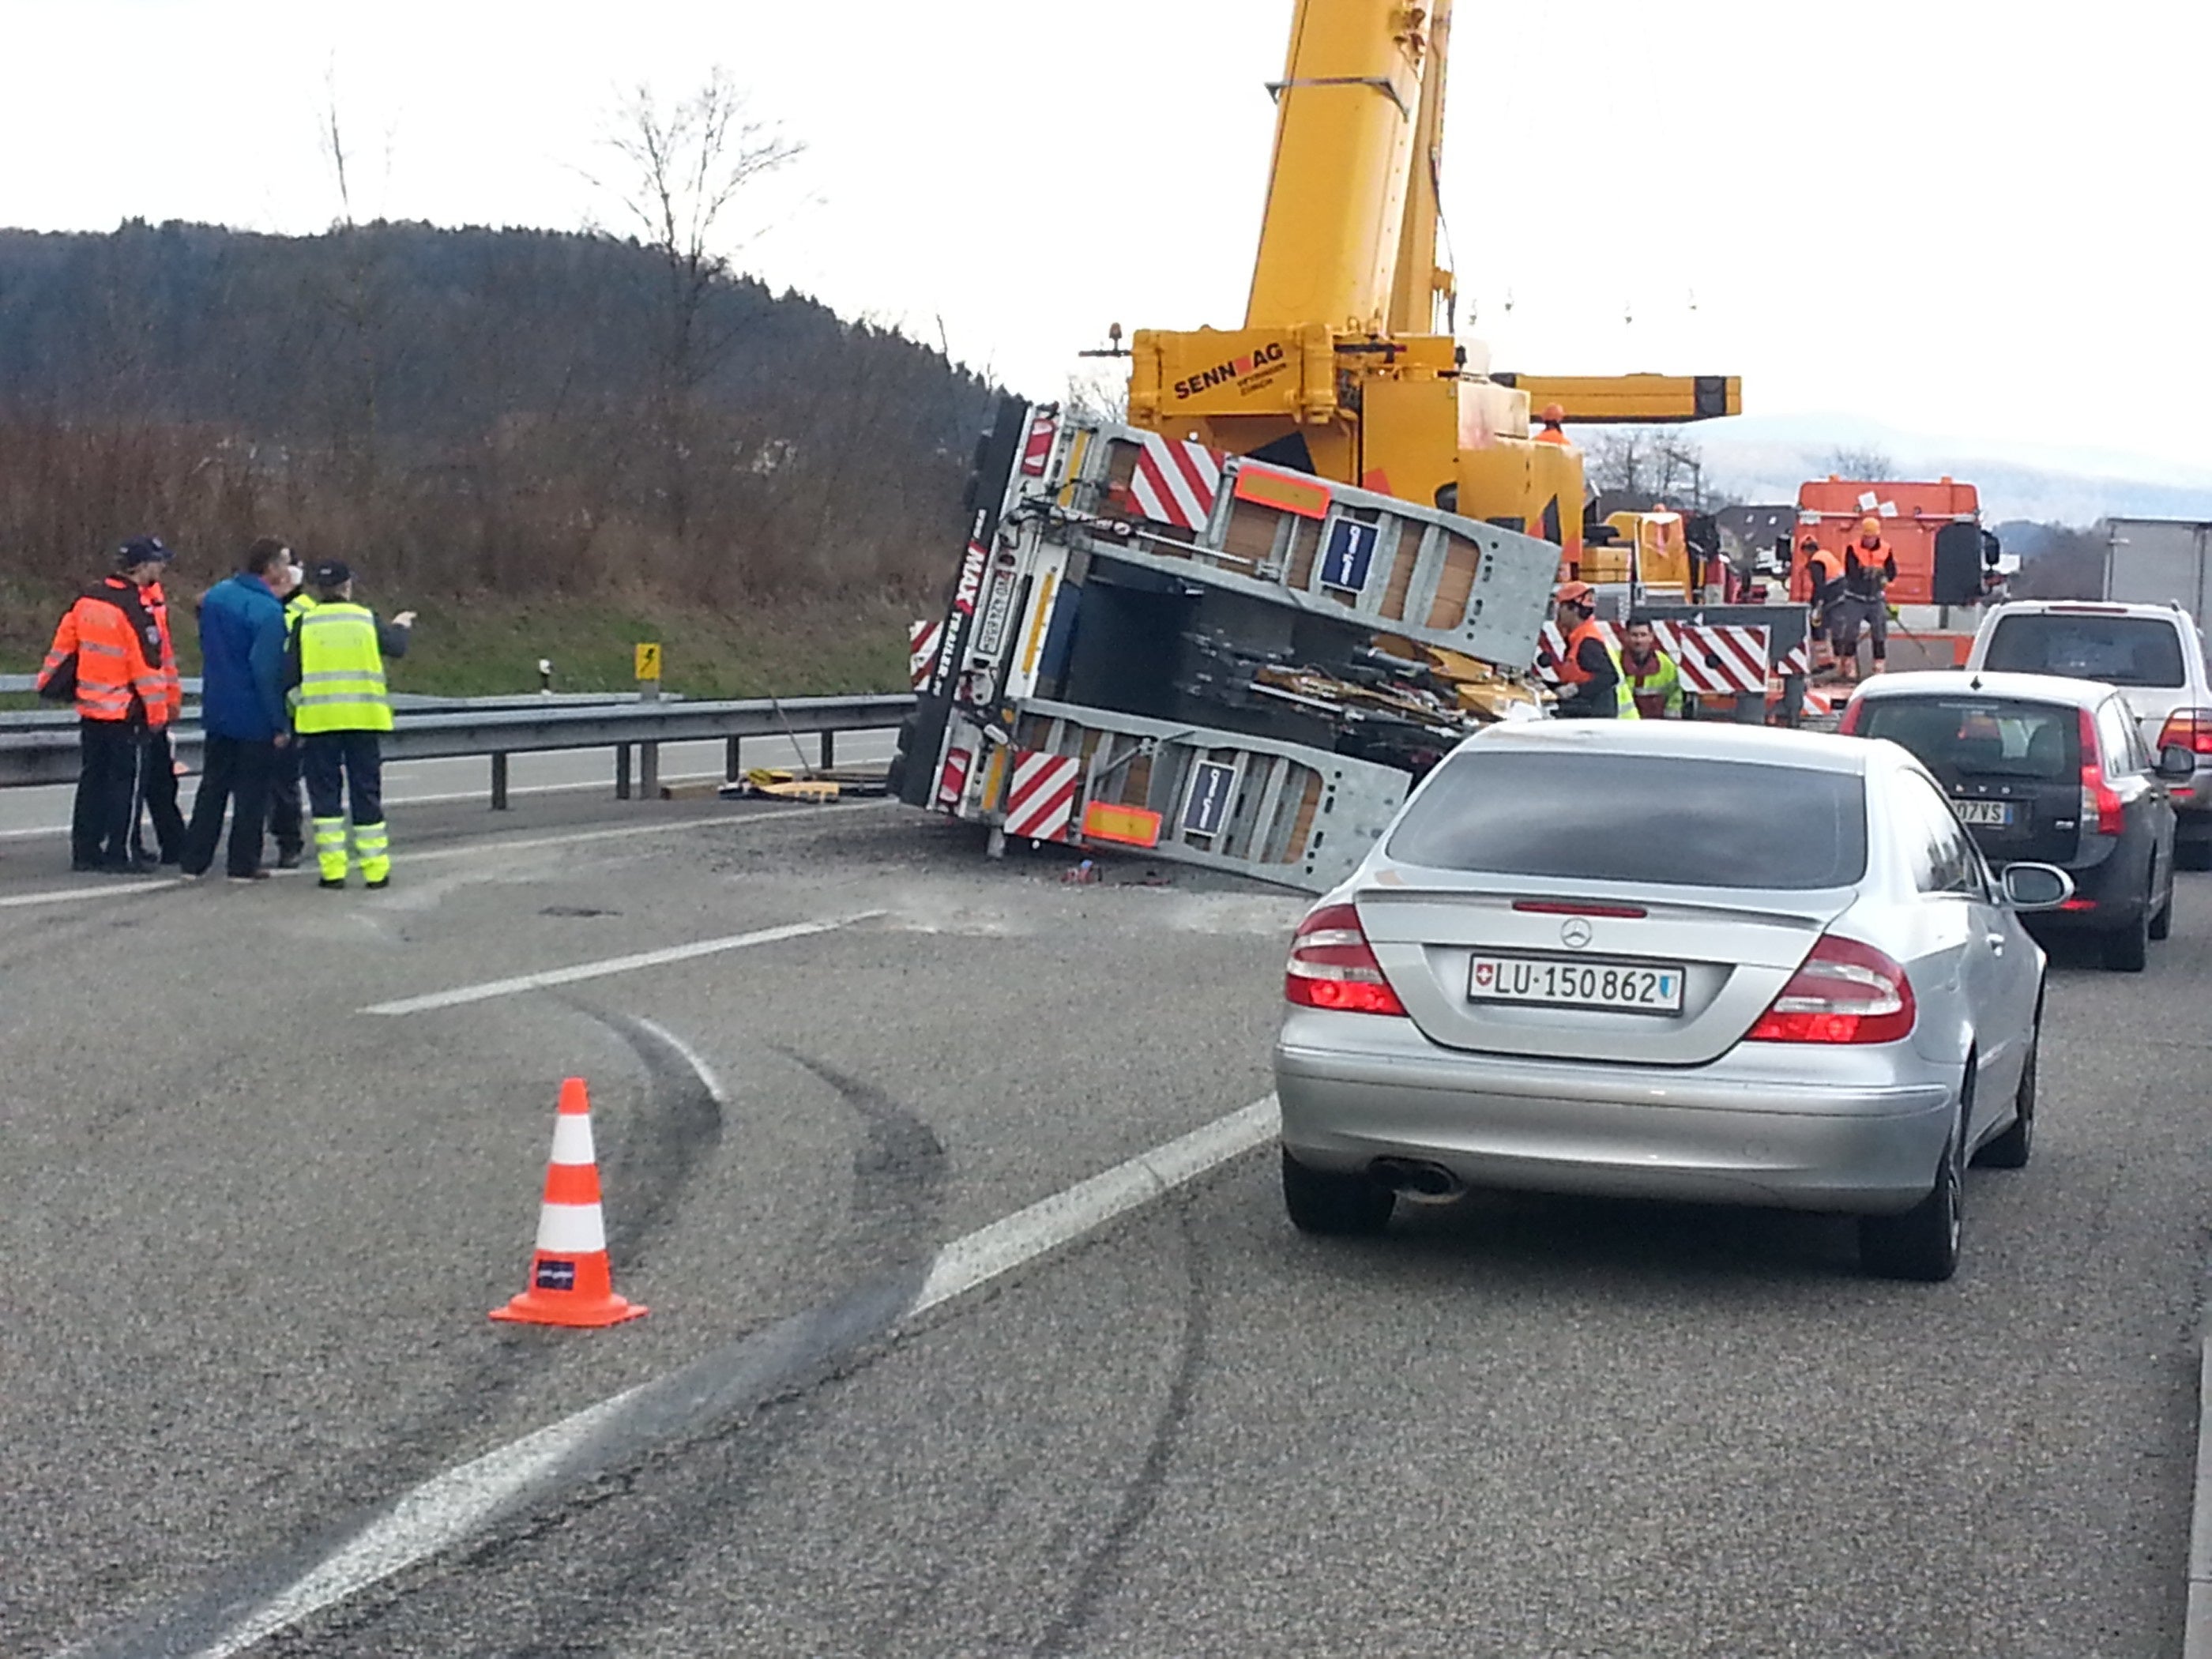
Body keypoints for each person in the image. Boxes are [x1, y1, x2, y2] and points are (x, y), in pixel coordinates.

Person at [36, 538, 175, 872]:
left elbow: (63, 653)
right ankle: (122, 852)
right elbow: (146, 669)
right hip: (126, 711)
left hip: (91, 708)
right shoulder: (134, 609)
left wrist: (57, 688)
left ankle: (85, 851)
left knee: (92, 782)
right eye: (157, 562)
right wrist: (159, 714)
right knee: (127, 785)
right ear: (141, 567)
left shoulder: (86, 600)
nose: (162, 568)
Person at [287, 559, 415, 890]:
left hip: (319, 723)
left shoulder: (306, 622)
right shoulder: (365, 618)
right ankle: (375, 871)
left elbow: (288, 676)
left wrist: (302, 709)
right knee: (366, 794)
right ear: (347, 587)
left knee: (325, 799)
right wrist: (400, 624)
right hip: (363, 719)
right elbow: (397, 648)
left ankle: (333, 872)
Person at [180, 537, 294, 880]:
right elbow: (266, 670)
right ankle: (242, 863)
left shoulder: (217, 595)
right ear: (271, 568)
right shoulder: (268, 612)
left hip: (218, 705)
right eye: (285, 563)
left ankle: (194, 860)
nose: (289, 570)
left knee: (212, 787)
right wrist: (279, 723)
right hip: (253, 714)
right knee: (251, 794)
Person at [132, 547, 189, 865]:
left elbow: (164, 655)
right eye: (158, 561)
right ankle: (139, 843)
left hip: (155, 704)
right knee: (144, 781)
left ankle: (175, 843)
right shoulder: (131, 601)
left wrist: (171, 697)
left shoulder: (154, 598)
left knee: (160, 780)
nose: (164, 567)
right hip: (136, 706)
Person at [264, 559, 318, 869]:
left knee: (283, 782)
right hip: (268, 704)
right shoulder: (270, 608)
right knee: (270, 781)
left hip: (292, 709)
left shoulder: (303, 612)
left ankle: (289, 843)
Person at [1546, 581, 1636, 720]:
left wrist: (1574, 690)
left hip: (1593, 719)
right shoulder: (1579, 638)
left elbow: (1609, 677)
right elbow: (1581, 678)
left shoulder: (1587, 642)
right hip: (1588, 715)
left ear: (1573, 610)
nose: (1558, 614)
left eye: (1561, 608)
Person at [1839, 514, 1898, 679]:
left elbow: (1892, 571)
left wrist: (1884, 576)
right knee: (1851, 631)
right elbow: (1851, 573)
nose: (1869, 540)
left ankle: (1879, 668)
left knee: (1879, 632)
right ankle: (1848, 666)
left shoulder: (1886, 548)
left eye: (1871, 537)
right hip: (1855, 597)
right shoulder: (1853, 548)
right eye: (1866, 536)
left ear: (1877, 535)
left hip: (1875, 598)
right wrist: (1866, 573)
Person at [1619, 615, 1683, 719]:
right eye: (1634, 635)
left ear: (1651, 637)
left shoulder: (1665, 664)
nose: (1639, 641)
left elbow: (1674, 696)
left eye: (1643, 635)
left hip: (1656, 727)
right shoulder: (1615, 662)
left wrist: (1671, 723)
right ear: (1625, 636)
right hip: (1624, 727)